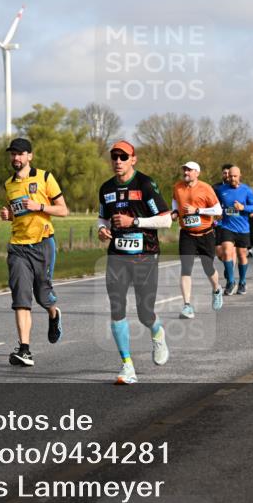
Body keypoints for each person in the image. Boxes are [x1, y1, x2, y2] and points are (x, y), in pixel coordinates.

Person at [97, 140, 172, 385]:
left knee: (144, 313)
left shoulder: (146, 184)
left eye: (123, 156)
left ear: (133, 159)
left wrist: (135, 223)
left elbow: (166, 221)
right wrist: (102, 230)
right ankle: (127, 365)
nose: (118, 161)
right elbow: (102, 218)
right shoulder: (106, 188)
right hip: (117, 257)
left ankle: (157, 332)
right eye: (114, 156)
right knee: (116, 308)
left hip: (145, 255)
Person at [0, 137, 68, 367]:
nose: (16, 158)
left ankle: (53, 313)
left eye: (20, 154)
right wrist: (9, 215)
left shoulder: (45, 177)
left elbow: (63, 210)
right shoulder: (9, 184)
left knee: (42, 295)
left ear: (30, 156)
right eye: (13, 154)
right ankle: (25, 349)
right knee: (20, 297)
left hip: (42, 244)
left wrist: (39, 206)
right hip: (18, 246)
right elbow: (16, 211)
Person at [171, 160, 224, 318]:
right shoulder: (177, 187)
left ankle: (216, 289)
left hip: (205, 234)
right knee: (186, 269)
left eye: (189, 170)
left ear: (197, 173)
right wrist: (174, 212)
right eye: (185, 170)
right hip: (187, 234)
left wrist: (198, 210)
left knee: (208, 268)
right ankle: (187, 306)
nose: (186, 173)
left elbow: (218, 210)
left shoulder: (206, 188)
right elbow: (175, 202)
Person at [215, 166, 253, 293]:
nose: (232, 179)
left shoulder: (247, 190)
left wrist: (243, 207)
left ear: (240, 176)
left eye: (235, 176)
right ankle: (230, 282)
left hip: (242, 228)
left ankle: (242, 281)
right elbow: (216, 205)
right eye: (230, 176)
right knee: (226, 252)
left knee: (241, 255)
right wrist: (217, 213)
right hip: (227, 226)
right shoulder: (221, 190)